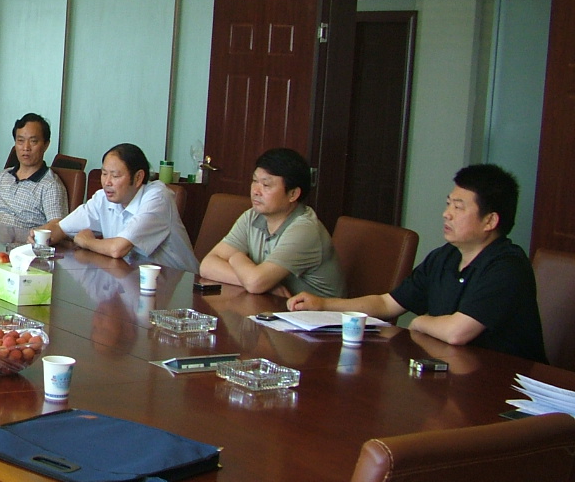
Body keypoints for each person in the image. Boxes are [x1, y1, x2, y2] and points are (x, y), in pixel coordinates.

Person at [288, 164, 546, 362]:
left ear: (490, 221)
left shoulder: (507, 266)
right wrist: (323, 304)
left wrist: (420, 322)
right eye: (448, 204)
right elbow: (387, 304)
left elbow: (457, 332)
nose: (446, 214)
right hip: (452, 371)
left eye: (458, 208)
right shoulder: (446, 256)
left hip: (506, 385)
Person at [199, 147, 344, 297]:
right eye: (254, 181)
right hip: (273, 305)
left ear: (293, 194)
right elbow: (207, 266)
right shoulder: (252, 216)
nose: (256, 191)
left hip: (312, 311)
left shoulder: (305, 229)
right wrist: (257, 283)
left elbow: (256, 283)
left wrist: (236, 257)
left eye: (266, 185)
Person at [37, 143, 197, 272]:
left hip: (179, 286)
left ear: (138, 177)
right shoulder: (103, 198)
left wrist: (87, 242)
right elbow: (61, 227)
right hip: (130, 279)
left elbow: (118, 249)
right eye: (104, 174)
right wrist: (41, 237)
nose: (107, 182)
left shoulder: (157, 197)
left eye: (115, 176)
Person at [0, 112, 68, 228]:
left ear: (46, 145)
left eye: (33, 141)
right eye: (20, 141)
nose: (26, 148)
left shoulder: (50, 186)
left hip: (23, 239)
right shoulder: (3, 176)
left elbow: (57, 226)